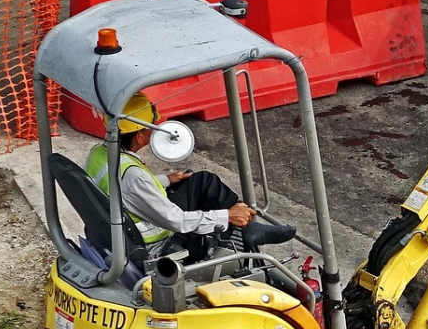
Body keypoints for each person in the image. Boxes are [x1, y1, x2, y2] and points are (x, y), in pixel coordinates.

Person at [86, 94, 293, 264]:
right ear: (139, 136)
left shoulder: (99, 154)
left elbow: (125, 190)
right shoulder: (133, 176)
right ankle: (242, 224)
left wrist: (166, 179)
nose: (154, 129)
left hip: (125, 218)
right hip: (155, 242)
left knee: (202, 181)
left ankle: (247, 226)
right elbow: (176, 220)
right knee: (213, 209)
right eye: (151, 126)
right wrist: (225, 216)